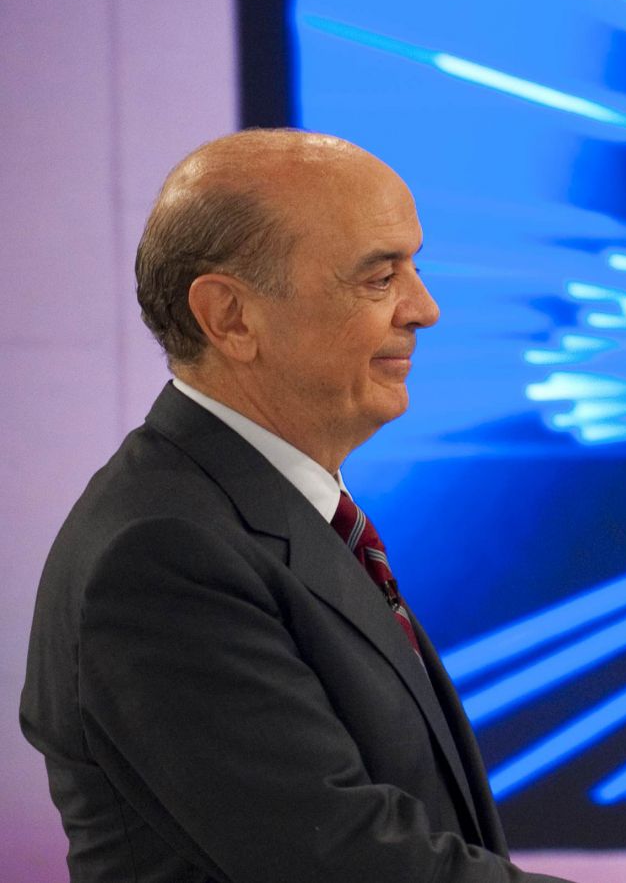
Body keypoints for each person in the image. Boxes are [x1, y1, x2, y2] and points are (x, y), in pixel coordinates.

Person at [20, 130, 573, 882]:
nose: (425, 308)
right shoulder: (163, 555)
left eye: (414, 268)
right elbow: (343, 861)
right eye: (379, 278)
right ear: (232, 317)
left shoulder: (262, 508)